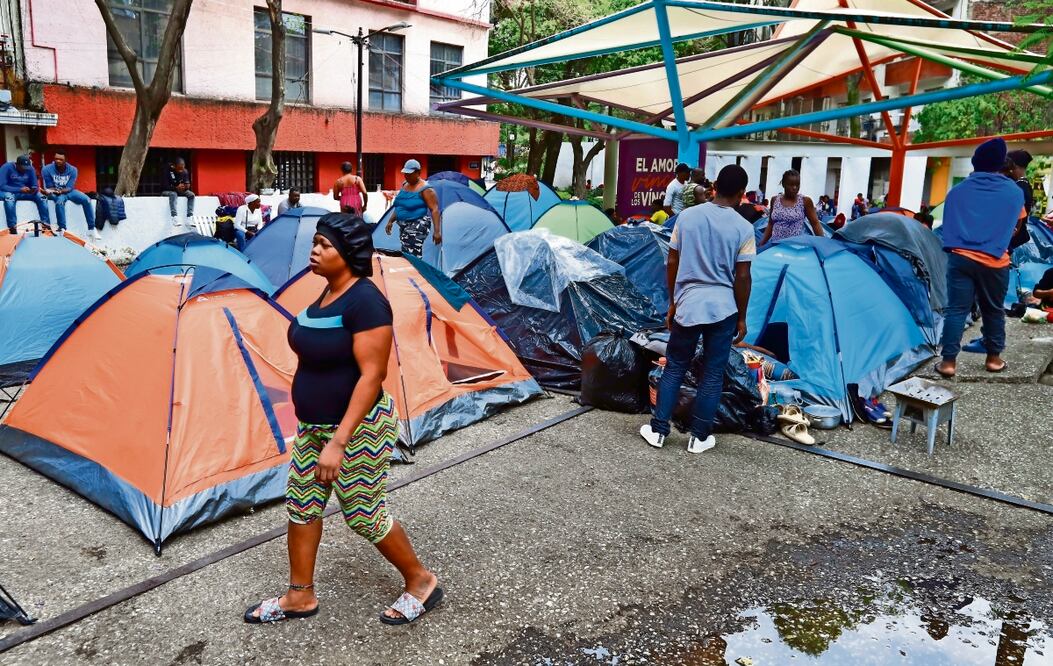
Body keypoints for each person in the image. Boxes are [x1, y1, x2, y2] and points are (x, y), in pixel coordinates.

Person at [245, 213, 440, 626]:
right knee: (301, 505)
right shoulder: (324, 297)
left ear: (348, 253)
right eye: (314, 243)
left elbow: (373, 376)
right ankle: (300, 596)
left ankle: (421, 581)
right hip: (314, 429)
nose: (314, 251)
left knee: (363, 514)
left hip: (357, 428)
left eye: (324, 245)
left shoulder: (366, 301)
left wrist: (338, 442)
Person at [640, 164, 755, 454]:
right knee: (713, 374)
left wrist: (673, 302)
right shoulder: (744, 227)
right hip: (723, 307)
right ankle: (699, 437)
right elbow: (742, 276)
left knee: (676, 366)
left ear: (714, 187)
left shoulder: (686, 217)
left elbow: (672, 262)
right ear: (742, 194)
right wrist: (741, 317)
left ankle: (658, 431)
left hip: (688, 304)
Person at [935, 138, 1022, 378]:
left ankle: (948, 363)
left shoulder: (957, 191)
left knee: (956, 310)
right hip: (995, 261)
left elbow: (949, 225)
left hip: (961, 258)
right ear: (1001, 164)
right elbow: (1016, 225)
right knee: (993, 310)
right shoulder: (1014, 192)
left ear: (975, 162)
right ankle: (993, 359)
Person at [383, 159, 442, 258]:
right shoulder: (405, 184)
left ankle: (416, 272)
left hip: (418, 224)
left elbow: (435, 210)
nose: (406, 176)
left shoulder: (426, 189)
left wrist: (437, 231)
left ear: (418, 173)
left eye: (409, 174)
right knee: (407, 252)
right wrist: (390, 221)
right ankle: (412, 271)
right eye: (405, 173)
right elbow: (400, 205)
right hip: (404, 225)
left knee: (411, 253)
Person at [41, 149, 96, 238]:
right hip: (55, 193)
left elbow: (70, 187)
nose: (58, 161)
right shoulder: (46, 169)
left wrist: (60, 191)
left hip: (69, 191)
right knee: (59, 202)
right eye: (56, 159)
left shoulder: (73, 170)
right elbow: (50, 186)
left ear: (66, 160)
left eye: (61, 159)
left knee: (87, 200)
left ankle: (92, 229)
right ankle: (62, 228)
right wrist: (53, 191)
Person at [760, 169, 824, 245]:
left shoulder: (805, 201)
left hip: (794, 248)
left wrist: (822, 244)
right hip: (775, 246)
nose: (794, 188)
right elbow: (771, 224)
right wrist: (762, 243)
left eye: (797, 185)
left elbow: (815, 223)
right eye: (791, 185)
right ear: (783, 184)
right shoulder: (775, 200)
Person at [1, 155, 50, 234]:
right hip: (10, 192)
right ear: (16, 165)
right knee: (9, 199)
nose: (25, 170)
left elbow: (34, 184)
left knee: (42, 197)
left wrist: (33, 189)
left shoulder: (30, 169)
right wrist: (19, 189)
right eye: (22, 168)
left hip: (25, 192)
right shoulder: (6, 167)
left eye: (26, 168)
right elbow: (2, 186)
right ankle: (12, 227)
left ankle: (46, 224)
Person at [164, 158, 194, 226]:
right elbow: (164, 186)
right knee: (173, 194)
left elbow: (186, 183)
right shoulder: (167, 171)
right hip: (167, 191)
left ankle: (189, 217)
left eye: (182, 169)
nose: (181, 171)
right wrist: (175, 187)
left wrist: (186, 186)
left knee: (191, 195)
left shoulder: (185, 171)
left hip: (179, 190)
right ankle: (174, 217)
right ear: (173, 166)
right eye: (179, 168)